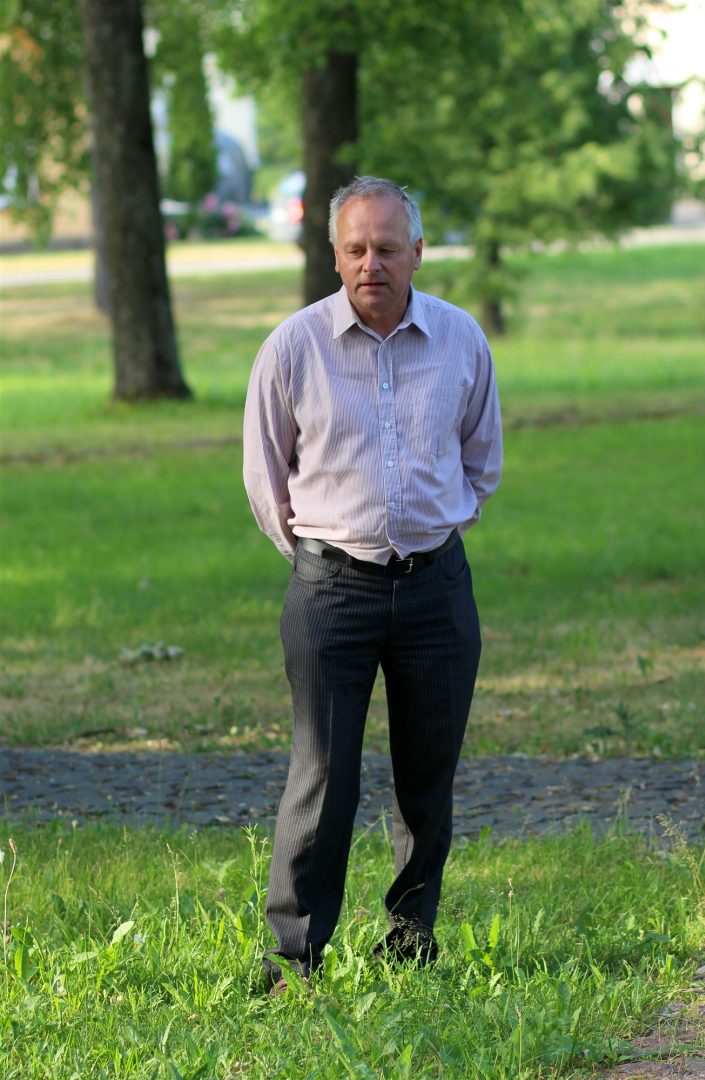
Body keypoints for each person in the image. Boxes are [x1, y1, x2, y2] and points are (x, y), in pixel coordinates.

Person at [243, 176, 502, 993]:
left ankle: (411, 939)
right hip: (331, 593)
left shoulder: (461, 340)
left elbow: (481, 461)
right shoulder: (293, 347)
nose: (371, 264)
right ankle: (294, 956)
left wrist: (428, 536)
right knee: (323, 776)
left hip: (436, 589)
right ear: (335, 255)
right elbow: (266, 479)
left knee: (428, 775)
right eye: (355, 249)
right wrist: (324, 556)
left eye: (388, 248)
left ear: (417, 252)